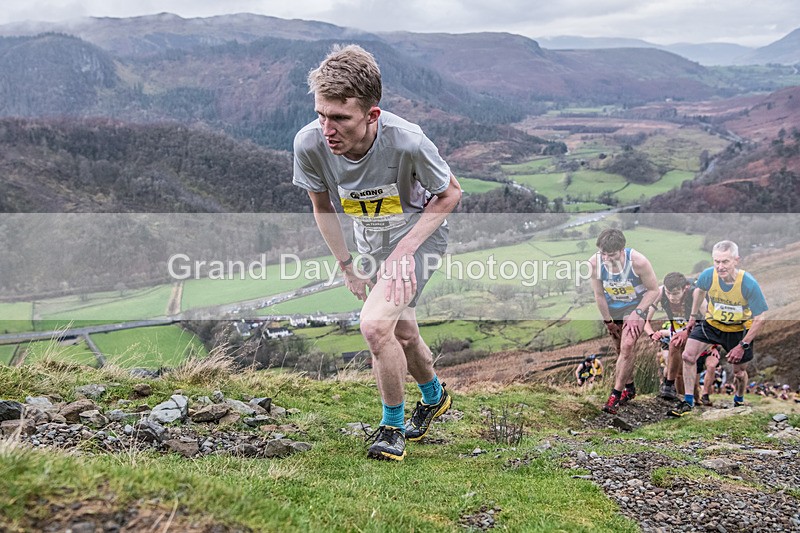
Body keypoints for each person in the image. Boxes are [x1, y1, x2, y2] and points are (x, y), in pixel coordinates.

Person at [293, 44, 461, 461]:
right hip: (370, 244)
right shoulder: (310, 144)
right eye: (321, 115)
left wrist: (405, 249)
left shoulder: (407, 141)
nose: (327, 128)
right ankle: (434, 396)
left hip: (418, 239)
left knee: (374, 327)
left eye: (340, 118)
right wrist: (347, 265)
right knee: (402, 332)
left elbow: (450, 193)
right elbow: (322, 206)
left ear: (372, 115)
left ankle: (391, 428)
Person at [667, 240, 768, 417]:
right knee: (688, 356)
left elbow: (761, 318)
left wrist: (742, 345)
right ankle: (688, 402)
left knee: (739, 372)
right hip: (712, 325)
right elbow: (699, 291)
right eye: (717, 261)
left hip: (738, 331)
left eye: (725, 262)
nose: (720, 267)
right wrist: (693, 317)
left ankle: (739, 398)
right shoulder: (708, 275)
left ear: (736, 260)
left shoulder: (748, 283)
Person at [589, 228, 659, 414]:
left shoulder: (638, 262)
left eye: (611, 254)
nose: (606, 258)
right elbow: (599, 295)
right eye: (603, 253)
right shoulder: (594, 263)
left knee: (627, 345)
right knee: (620, 349)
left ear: (622, 250)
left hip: (636, 305)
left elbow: (654, 290)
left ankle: (615, 396)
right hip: (613, 308)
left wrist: (637, 313)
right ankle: (630, 387)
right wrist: (608, 321)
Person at [643, 272, 694, 401]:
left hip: (695, 327)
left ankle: (692, 397)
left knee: (687, 364)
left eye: (675, 294)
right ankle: (670, 387)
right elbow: (645, 321)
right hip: (676, 330)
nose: (671, 297)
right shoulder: (660, 293)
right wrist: (652, 334)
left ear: (684, 289)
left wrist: (687, 332)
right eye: (668, 293)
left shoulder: (693, 293)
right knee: (675, 354)